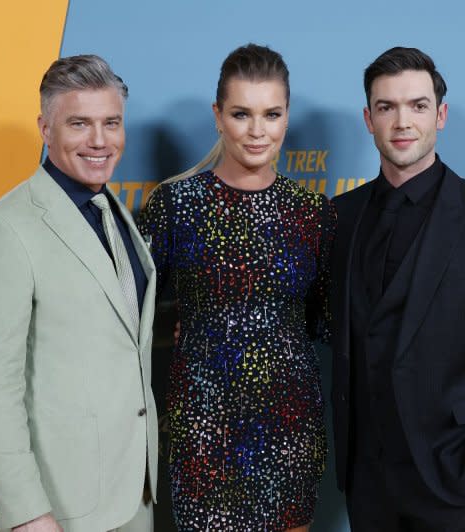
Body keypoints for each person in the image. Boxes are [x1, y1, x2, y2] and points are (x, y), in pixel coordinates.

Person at [329, 47, 465, 532]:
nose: (402, 121)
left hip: (459, 479)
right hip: (368, 483)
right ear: (369, 119)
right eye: (386, 107)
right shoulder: (339, 217)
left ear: (440, 115)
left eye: (418, 105)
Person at [0, 55, 158, 532]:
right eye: (79, 124)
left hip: (133, 494)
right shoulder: (2, 230)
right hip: (56, 505)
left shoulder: (114, 211)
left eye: (111, 123)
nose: (100, 141)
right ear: (45, 128)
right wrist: (26, 511)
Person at [137, 44, 334, 532]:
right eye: (241, 113)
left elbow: (322, 320)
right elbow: (132, 312)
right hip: (204, 429)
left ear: (286, 118)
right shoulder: (176, 205)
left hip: (290, 425)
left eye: (272, 114)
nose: (257, 130)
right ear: (218, 116)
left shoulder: (312, 214)